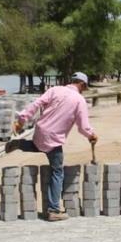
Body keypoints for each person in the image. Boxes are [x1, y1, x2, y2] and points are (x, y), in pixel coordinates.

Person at [6, 72, 98, 221]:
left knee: (40, 146)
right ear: (82, 84)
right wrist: (91, 135)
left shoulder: (55, 90)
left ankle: (20, 143)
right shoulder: (79, 100)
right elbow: (83, 127)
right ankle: (53, 210)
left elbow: (36, 103)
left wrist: (21, 120)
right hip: (55, 138)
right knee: (57, 172)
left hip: (40, 130)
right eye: (84, 87)